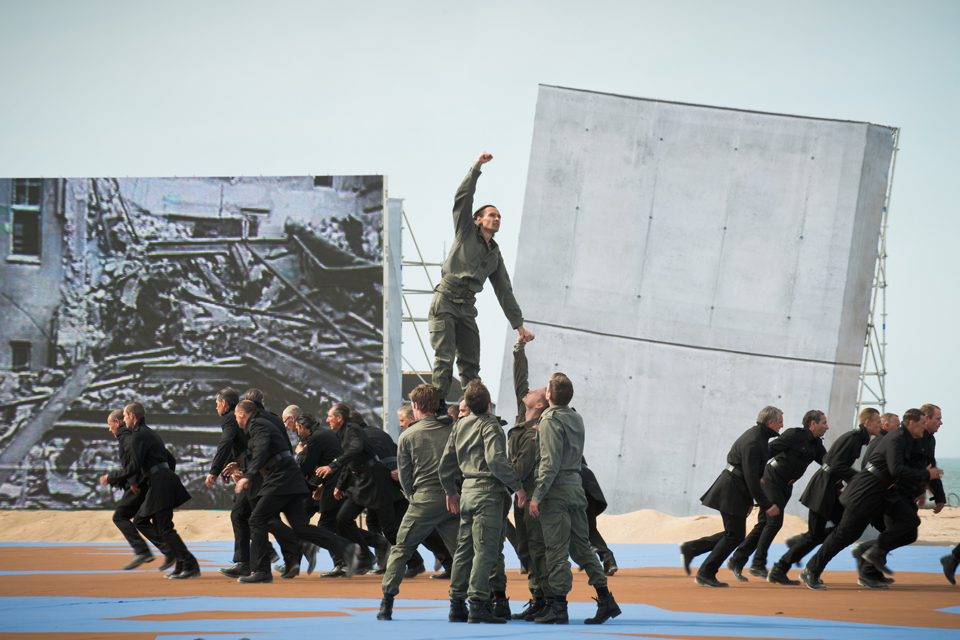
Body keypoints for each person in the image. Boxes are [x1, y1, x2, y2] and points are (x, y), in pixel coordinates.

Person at [429, 151, 534, 417]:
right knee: (444, 358)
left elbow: (504, 290)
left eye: (499, 216)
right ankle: (439, 407)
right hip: (446, 300)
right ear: (478, 219)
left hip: (467, 307)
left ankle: (474, 409)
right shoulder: (465, 230)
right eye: (491, 215)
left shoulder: (494, 254)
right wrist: (477, 167)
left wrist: (519, 325)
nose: (496, 219)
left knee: (471, 363)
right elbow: (462, 199)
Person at [799, 408, 943, 590]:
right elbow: (896, 469)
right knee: (844, 535)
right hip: (866, 493)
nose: (925, 427)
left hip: (885, 494)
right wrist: (925, 475)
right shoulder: (896, 438)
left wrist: (929, 488)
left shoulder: (911, 440)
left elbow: (917, 465)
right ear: (912, 423)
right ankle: (811, 570)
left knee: (909, 522)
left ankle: (872, 554)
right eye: (922, 423)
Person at [528, 373, 621, 625]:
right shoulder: (575, 417)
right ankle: (606, 600)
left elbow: (549, 462)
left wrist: (537, 496)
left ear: (548, 396)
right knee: (582, 547)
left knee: (556, 551)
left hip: (556, 492)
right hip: (576, 488)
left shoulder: (549, 420)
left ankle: (559, 607)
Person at [233, 400, 360, 583]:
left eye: (236, 417)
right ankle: (345, 547)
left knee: (257, 519)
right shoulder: (265, 422)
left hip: (281, 478)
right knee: (301, 527)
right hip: (290, 478)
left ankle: (263, 571)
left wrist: (249, 475)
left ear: (241, 415)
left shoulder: (257, 424)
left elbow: (261, 450)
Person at [439, 379, 525, 624]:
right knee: (486, 551)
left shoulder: (460, 424)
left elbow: (445, 463)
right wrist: (517, 487)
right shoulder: (491, 426)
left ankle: (457, 604)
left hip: (466, 492)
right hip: (488, 493)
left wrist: (450, 491)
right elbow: (496, 461)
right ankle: (478, 603)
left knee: (464, 550)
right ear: (489, 403)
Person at [377, 384, 460, 620]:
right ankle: (457, 604)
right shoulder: (452, 430)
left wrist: (413, 498)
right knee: (461, 554)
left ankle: (387, 604)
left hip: (423, 499)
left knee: (402, 549)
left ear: (415, 406)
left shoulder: (408, 435)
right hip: (452, 499)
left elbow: (404, 475)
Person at [770, 408, 881, 584]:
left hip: (829, 489)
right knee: (826, 534)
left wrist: (840, 485)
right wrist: (858, 480)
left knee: (843, 530)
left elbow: (829, 461)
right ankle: (781, 568)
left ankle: (796, 548)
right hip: (822, 490)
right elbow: (833, 464)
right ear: (867, 422)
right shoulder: (853, 438)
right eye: (878, 422)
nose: (880, 426)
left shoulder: (857, 439)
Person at [680, 406, 783, 588]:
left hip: (735, 488)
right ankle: (705, 573)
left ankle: (692, 549)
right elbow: (752, 477)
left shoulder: (758, 437)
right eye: (780, 422)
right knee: (734, 536)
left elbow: (752, 475)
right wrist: (765, 504)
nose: (782, 426)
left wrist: (750, 501)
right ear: (770, 422)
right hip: (731, 489)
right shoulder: (754, 441)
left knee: (733, 534)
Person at [728, 410, 827, 583]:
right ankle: (758, 565)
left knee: (764, 524)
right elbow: (768, 451)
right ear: (813, 424)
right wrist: (757, 474)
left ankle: (738, 559)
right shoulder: (795, 434)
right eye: (824, 423)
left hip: (786, 485)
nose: (827, 427)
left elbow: (828, 463)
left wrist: (841, 482)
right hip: (771, 478)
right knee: (774, 522)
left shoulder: (816, 444)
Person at [117, 403, 200, 579]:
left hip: (160, 482)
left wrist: (111, 477)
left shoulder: (139, 435)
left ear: (132, 416)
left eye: (125, 416)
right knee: (143, 520)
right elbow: (170, 458)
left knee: (164, 527)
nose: (124, 420)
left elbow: (134, 466)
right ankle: (181, 563)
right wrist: (165, 475)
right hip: (161, 480)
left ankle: (189, 563)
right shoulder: (149, 433)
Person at [315, 403, 394, 574]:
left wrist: (333, 465)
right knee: (342, 518)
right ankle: (367, 556)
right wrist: (340, 485)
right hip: (364, 481)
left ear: (339, 418)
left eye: (330, 416)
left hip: (375, 480)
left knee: (390, 528)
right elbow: (349, 463)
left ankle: (414, 561)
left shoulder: (352, 429)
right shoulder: (342, 433)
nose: (327, 419)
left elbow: (356, 449)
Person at [100, 409, 173, 571]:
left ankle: (143, 551)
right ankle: (169, 551)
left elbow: (135, 461)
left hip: (139, 485)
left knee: (120, 517)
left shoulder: (125, 436)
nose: (109, 429)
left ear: (117, 423)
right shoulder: (135, 435)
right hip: (146, 482)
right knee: (141, 520)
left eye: (110, 425)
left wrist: (123, 479)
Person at [203, 388, 258, 578]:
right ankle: (262, 555)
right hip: (251, 468)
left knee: (240, 515)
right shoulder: (245, 418)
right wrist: (232, 467)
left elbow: (226, 443)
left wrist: (214, 471)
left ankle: (249, 561)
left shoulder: (229, 418)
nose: (217, 407)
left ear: (224, 404)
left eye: (217, 404)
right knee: (249, 515)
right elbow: (238, 445)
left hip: (251, 471)